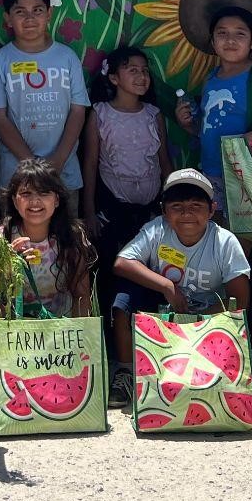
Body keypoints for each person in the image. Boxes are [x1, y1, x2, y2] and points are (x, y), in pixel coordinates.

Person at [109, 168, 252, 384]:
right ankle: (126, 372)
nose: (186, 214)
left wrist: (192, 322)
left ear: (212, 210)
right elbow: (122, 263)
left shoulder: (225, 241)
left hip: (210, 321)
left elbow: (240, 302)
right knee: (123, 299)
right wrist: (167, 286)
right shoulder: (157, 229)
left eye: (196, 206)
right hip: (163, 317)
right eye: (177, 207)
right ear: (164, 211)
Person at [0, 0, 93, 219]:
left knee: (67, 245)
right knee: (15, 248)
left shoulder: (67, 57)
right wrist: (32, 165)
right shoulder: (0, 61)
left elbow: (78, 110)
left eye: (37, 10)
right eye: (20, 12)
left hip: (64, 174)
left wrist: (58, 161)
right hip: (16, 177)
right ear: (8, 19)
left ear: (49, 14)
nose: (30, 18)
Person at [172, 5, 252, 213]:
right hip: (213, 174)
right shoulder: (210, 79)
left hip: (248, 174)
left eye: (240, 33)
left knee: (243, 237)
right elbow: (208, 129)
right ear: (212, 41)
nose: (230, 40)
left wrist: (242, 142)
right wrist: (188, 125)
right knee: (220, 237)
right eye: (222, 33)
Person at [84, 45, 170, 309]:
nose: (141, 76)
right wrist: (88, 211)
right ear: (113, 78)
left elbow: (164, 161)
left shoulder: (154, 115)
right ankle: (115, 330)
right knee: (114, 269)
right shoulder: (100, 114)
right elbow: (89, 163)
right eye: (132, 70)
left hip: (151, 211)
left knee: (152, 268)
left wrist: (170, 207)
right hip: (112, 211)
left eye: (145, 71)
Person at [0, 158, 96, 318]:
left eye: (44, 193)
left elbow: (82, 295)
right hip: (16, 334)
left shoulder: (73, 236)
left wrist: (81, 336)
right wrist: (6, 264)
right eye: (26, 193)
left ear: (56, 200)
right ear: (15, 201)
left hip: (61, 330)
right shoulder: (2, 238)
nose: (35, 201)